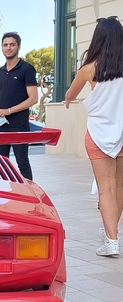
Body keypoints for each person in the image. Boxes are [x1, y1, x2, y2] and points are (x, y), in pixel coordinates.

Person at [65, 16, 123, 257]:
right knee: (119, 186)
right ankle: (112, 233)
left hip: (99, 134)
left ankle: (112, 240)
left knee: (105, 189)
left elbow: (70, 93)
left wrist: (68, 99)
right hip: (122, 132)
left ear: (98, 39)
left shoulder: (90, 69)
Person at [0, 32, 39, 180]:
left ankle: (30, 197)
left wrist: (9, 111)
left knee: (22, 163)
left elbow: (33, 99)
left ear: (18, 47)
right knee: (0, 164)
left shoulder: (27, 69)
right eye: (5, 45)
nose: (8, 48)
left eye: (12, 44)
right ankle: (5, 195)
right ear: (2, 48)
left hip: (19, 126)